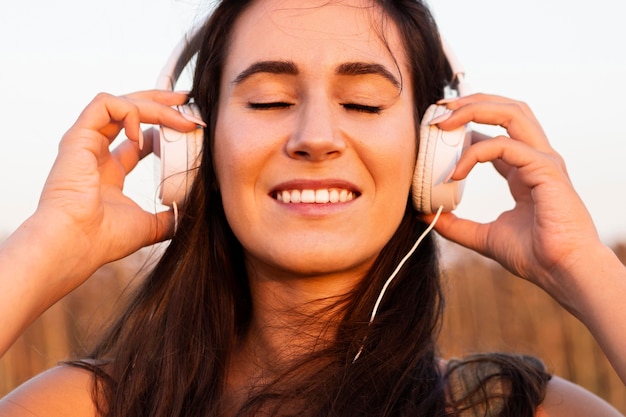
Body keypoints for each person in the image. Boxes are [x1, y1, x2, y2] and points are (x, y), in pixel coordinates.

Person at [0, 0, 625, 415]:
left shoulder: (518, 410)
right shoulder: (86, 406)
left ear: (435, 143)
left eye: (363, 103)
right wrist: (45, 249)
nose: (316, 135)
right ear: (193, 144)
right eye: (269, 101)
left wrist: (581, 266)